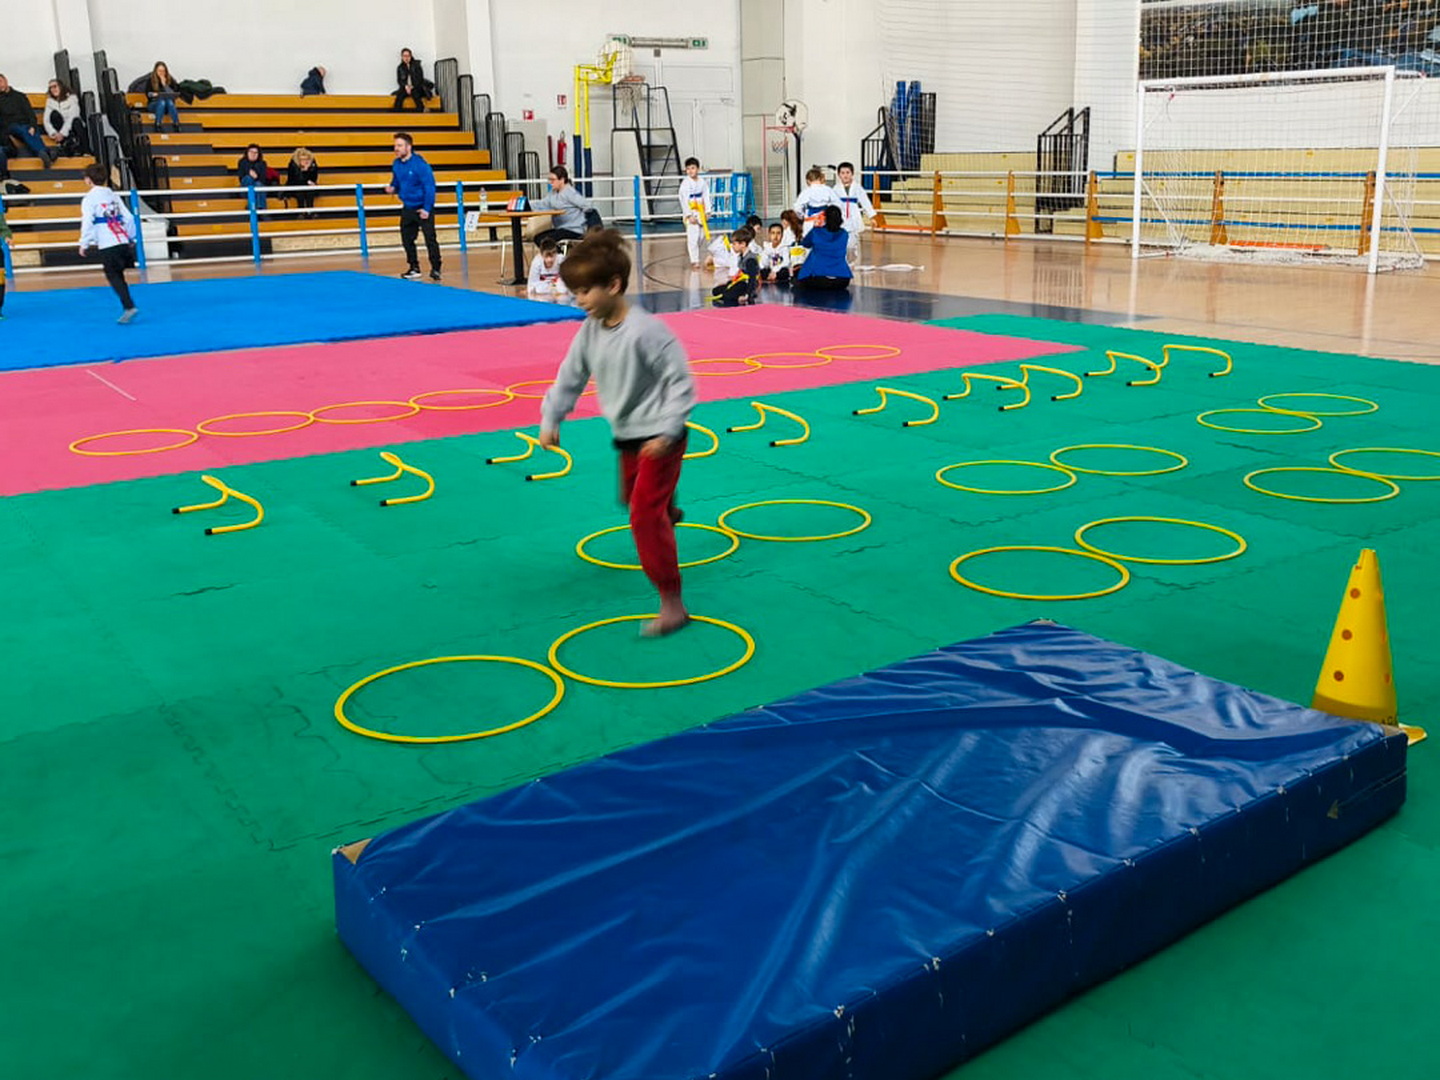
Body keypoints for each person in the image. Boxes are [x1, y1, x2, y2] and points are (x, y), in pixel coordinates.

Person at [540, 230, 697, 638]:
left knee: (642, 517)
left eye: (584, 292)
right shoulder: (590, 330)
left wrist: (669, 431)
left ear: (613, 285)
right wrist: (552, 417)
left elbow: (681, 383)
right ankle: (667, 510)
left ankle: (672, 602)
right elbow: (571, 374)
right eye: (574, 292)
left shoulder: (647, 331)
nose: (578, 300)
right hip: (628, 436)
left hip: (662, 437)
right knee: (632, 500)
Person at [78, 162, 139, 323]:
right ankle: (128, 305)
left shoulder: (89, 199)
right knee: (118, 274)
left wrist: (84, 243)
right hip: (122, 240)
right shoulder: (114, 196)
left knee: (113, 275)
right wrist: (131, 237)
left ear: (88, 180)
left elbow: (87, 222)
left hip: (107, 243)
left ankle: (129, 306)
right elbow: (129, 218)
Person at [386, 131, 440, 281]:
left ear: (408, 147)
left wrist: (427, 208)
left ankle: (436, 268)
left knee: (430, 239)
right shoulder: (396, 164)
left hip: (422, 206)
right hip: (408, 207)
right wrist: (392, 187)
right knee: (407, 239)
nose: (396, 149)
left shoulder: (420, 165)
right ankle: (414, 267)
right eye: (395, 146)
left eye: (399, 146)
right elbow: (397, 181)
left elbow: (429, 186)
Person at [530, 165, 592, 248]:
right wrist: (527, 205)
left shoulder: (570, 193)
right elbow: (542, 204)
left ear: (562, 180)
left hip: (573, 230)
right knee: (537, 238)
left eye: (553, 180)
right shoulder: (553, 192)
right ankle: (557, 253)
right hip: (561, 228)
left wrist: (581, 221)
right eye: (549, 179)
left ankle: (558, 254)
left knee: (543, 240)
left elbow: (587, 205)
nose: (550, 182)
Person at [0, 73, 54, 168]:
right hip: (11, 126)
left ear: (6, 80)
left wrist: (33, 126)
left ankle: (45, 153)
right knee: (24, 130)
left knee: (30, 131)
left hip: (25, 125)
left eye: (0, 82)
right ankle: (46, 152)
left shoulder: (20, 96)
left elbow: (30, 113)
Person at [794, 205, 852, 291]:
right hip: (842, 280)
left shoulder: (816, 232)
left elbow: (805, 244)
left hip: (818, 278)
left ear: (825, 218)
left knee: (798, 273)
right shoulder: (844, 234)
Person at [831, 161, 875, 262]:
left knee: (853, 241)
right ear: (839, 175)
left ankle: (855, 260)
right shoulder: (836, 188)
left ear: (852, 174)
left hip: (854, 215)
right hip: (841, 215)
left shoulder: (857, 187)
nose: (845, 175)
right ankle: (842, 261)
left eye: (848, 172)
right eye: (842, 173)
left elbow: (865, 201)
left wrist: (871, 216)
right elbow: (832, 203)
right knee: (841, 240)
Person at [711, 228, 759, 307]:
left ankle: (741, 294)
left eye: (734, 244)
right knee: (716, 291)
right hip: (740, 282)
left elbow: (752, 279)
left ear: (742, 244)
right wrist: (730, 282)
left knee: (727, 295)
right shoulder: (741, 256)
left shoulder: (750, 259)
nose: (732, 246)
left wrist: (747, 295)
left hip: (745, 285)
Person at [677, 157, 710, 268]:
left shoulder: (702, 182)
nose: (690, 171)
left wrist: (708, 211)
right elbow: (683, 200)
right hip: (691, 211)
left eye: (693, 168)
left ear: (698, 169)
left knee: (701, 236)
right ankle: (694, 260)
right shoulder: (685, 184)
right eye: (688, 169)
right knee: (693, 237)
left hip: (701, 211)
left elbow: (706, 196)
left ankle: (695, 254)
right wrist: (689, 215)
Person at [793, 167, 839, 235]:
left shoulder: (806, 191)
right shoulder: (828, 189)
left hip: (810, 220)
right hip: (826, 219)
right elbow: (838, 204)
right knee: (825, 238)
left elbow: (797, 207)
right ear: (821, 178)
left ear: (808, 180)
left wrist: (801, 216)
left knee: (810, 239)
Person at [43, 79, 82, 159]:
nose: (53, 89)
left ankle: (81, 149)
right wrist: (53, 133)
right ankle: (65, 144)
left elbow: (73, 116)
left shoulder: (72, 99)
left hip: (71, 129)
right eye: (50, 88)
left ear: (60, 86)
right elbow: (46, 120)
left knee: (76, 121)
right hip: (59, 129)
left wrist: (63, 133)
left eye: (55, 86)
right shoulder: (50, 101)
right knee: (54, 114)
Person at [147, 62, 181, 132]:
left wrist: (164, 85)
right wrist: (154, 94)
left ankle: (176, 123)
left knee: (169, 102)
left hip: (167, 105)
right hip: (154, 103)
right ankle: (158, 124)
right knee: (162, 102)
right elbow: (148, 93)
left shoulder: (170, 80)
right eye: (159, 71)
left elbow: (173, 93)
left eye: (163, 71)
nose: (161, 73)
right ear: (156, 71)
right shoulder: (150, 80)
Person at [286, 147, 319, 216]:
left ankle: (310, 210)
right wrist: (303, 171)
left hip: (308, 186)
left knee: (310, 191)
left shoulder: (312, 165)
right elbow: (294, 180)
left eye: (306, 159)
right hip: (294, 185)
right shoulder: (293, 165)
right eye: (302, 159)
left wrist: (308, 170)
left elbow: (314, 178)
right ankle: (301, 211)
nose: (305, 161)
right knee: (299, 192)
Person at [237, 144, 269, 209]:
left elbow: (263, 180)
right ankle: (255, 207)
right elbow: (241, 178)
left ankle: (258, 207)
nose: (253, 154)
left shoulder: (262, 164)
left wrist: (256, 177)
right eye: (251, 152)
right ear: (247, 153)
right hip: (245, 190)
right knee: (248, 178)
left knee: (258, 184)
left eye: (256, 153)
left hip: (258, 189)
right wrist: (250, 174)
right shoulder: (242, 162)